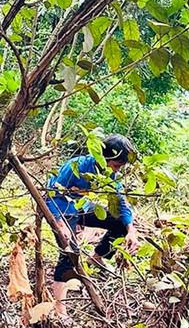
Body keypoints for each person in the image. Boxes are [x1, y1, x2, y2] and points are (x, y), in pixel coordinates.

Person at [46, 134, 140, 317]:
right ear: (104, 158)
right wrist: (60, 223)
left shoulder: (110, 176)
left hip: (82, 207)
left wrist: (131, 229)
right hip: (62, 209)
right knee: (70, 253)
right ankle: (60, 309)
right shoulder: (78, 166)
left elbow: (121, 203)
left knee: (119, 223)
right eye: (116, 165)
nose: (117, 170)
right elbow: (52, 194)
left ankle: (97, 257)